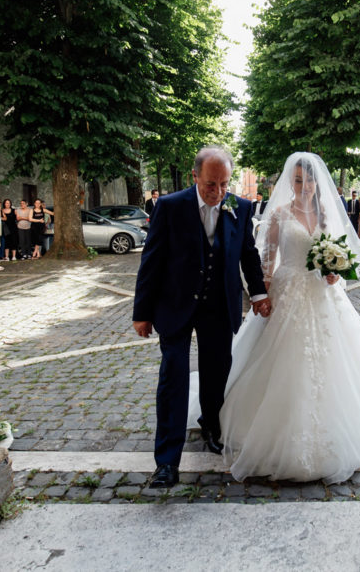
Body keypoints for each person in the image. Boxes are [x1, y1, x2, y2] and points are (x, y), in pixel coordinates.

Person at [219, 153, 360, 483]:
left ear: (316, 182)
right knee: (281, 357)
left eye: (309, 180)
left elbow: (338, 253)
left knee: (337, 356)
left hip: (323, 294)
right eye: (298, 180)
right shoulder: (280, 215)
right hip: (288, 290)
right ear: (290, 183)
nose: (305, 186)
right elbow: (266, 259)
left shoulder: (326, 215)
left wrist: (335, 273)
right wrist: (262, 295)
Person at [132, 147, 272, 489]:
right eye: (212, 184)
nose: (219, 191)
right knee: (173, 378)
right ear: (195, 176)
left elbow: (248, 255)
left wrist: (258, 293)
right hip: (175, 304)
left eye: (225, 184)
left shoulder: (239, 206)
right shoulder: (170, 207)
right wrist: (142, 312)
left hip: (218, 306)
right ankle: (166, 461)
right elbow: (151, 261)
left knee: (216, 373)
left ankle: (211, 425)